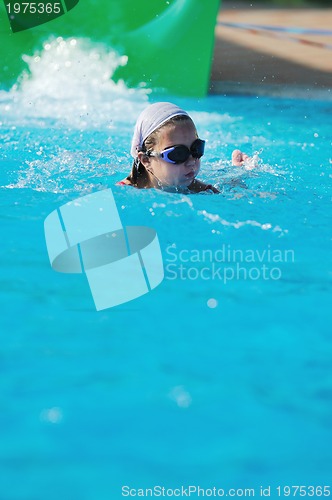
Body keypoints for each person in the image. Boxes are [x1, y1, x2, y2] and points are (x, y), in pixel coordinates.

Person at [118, 102, 250, 193]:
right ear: (146, 160)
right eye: (178, 154)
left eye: (196, 149)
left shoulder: (203, 191)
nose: (191, 161)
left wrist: (238, 181)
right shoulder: (121, 194)